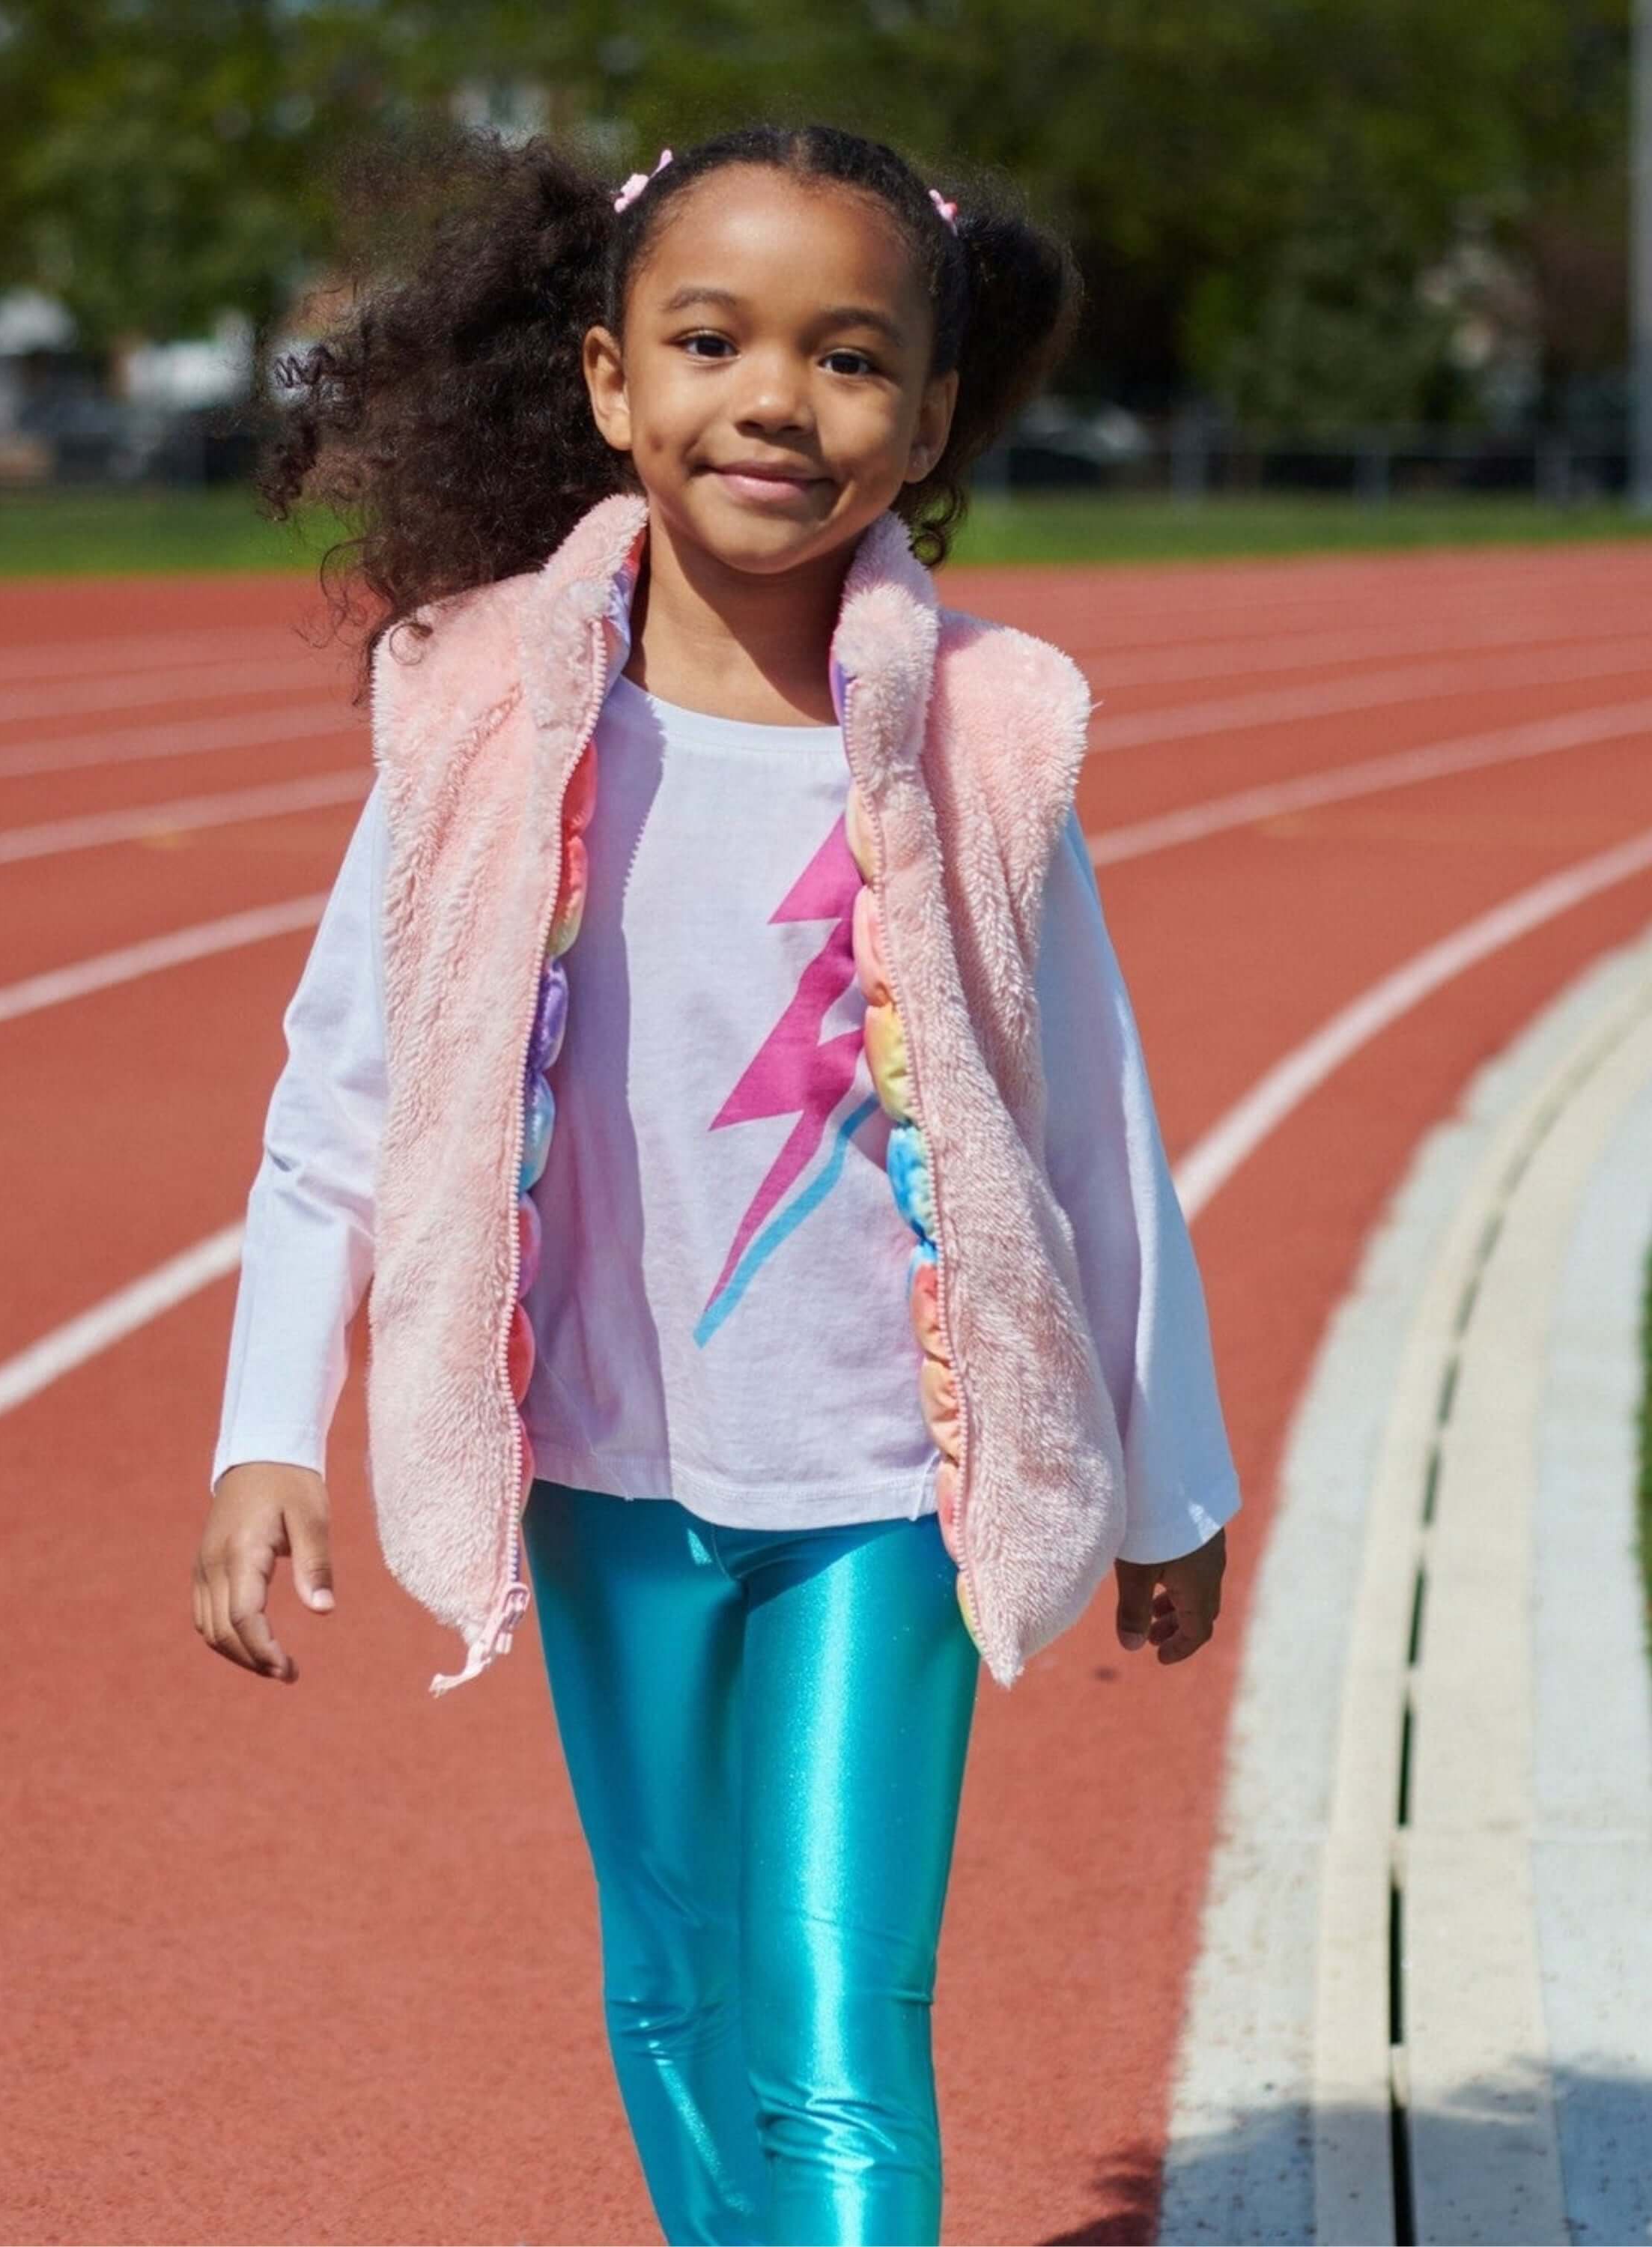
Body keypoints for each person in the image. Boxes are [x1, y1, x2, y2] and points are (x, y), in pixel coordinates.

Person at [192, 121, 1241, 2247]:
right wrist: (260, 1427)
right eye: (711, 341)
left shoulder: (984, 739)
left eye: (849, 358)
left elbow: (1092, 1129)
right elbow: (341, 1093)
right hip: (602, 1472)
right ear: (610, 382)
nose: (776, 399)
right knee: (673, 1985)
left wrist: (1170, 1478)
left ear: (927, 422)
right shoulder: (479, 717)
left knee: (841, 2025)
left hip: (886, 1485)